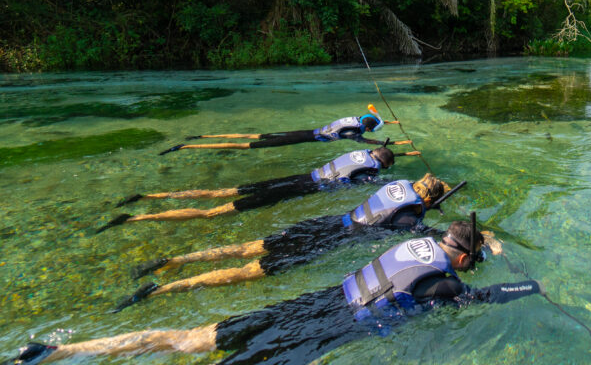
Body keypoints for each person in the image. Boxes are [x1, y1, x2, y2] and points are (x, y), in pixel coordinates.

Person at [0, 221, 541, 365]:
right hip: (318, 332)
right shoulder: (447, 284)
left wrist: (483, 240)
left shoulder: (417, 240)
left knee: (187, 339)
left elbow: (453, 233)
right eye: (475, 257)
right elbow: (484, 296)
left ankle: (54, 352)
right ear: (463, 257)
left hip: (313, 302)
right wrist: (531, 286)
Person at [111, 174, 490, 310]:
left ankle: (172, 260)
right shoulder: (413, 216)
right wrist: (485, 238)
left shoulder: (400, 186)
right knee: (249, 272)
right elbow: (420, 235)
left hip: (326, 222)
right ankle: (164, 289)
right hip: (326, 244)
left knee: (248, 248)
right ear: (429, 200)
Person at [97, 146, 420, 232]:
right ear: (384, 164)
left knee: (219, 193)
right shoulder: (373, 168)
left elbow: (368, 163)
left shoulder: (360, 154)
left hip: (299, 175)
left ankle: (148, 197)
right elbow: (370, 181)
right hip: (295, 190)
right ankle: (133, 219)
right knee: (213, 214)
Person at [158, 105, 403, 155]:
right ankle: (188, 146)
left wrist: (386, 123)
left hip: (307, 130)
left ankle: (200, 137)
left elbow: (371, 122)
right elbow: (362, 142)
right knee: (250, 145)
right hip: (306, 139)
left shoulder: (356, 117)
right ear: (366, 127)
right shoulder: (356, 131)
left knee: (255, 136)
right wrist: (388, 146)